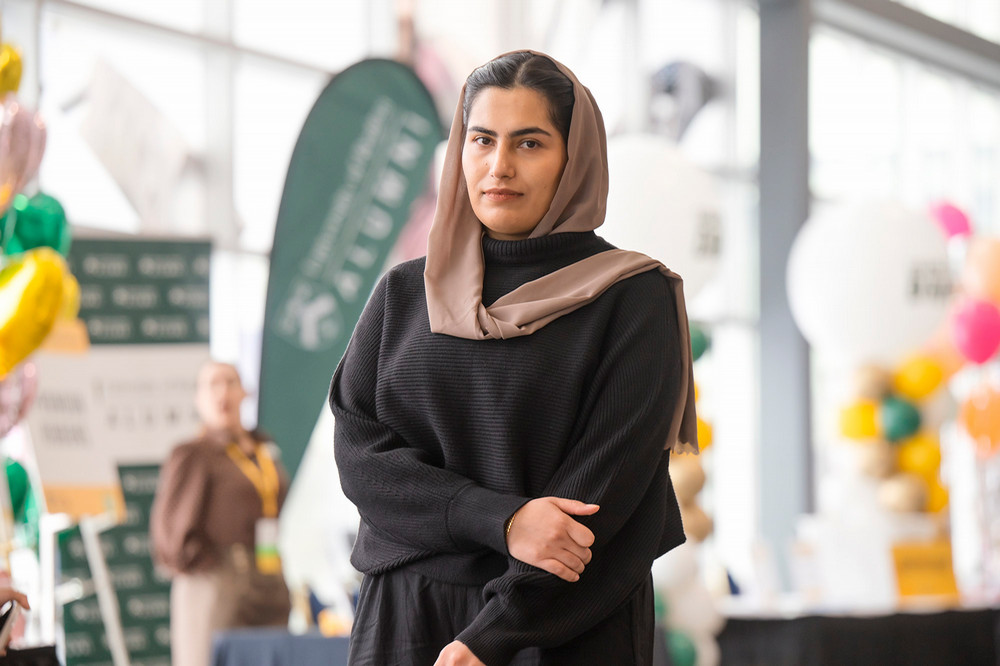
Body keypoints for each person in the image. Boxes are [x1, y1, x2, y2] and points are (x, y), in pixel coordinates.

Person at [330, 50, 698, 666]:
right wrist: (501, 520)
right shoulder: (402, 293)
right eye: (482, 140)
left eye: (529, 143)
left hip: (555, 624)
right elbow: (362, 462)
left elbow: (604, 495)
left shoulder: (633, 298)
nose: (498, 166)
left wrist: (490, 637)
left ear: (574, 157)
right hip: (403, 615)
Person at [150, 361, 291, 666]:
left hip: (269, 571)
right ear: (198, 400)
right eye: (211, 385)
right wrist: (214, 570)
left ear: (245, 393)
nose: (222, 392)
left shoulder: (264, 449)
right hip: (216, 579)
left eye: (229, 382)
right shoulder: (193, 453)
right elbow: (169, 534)